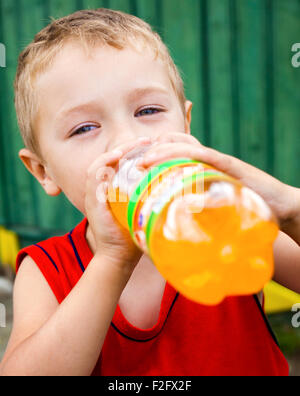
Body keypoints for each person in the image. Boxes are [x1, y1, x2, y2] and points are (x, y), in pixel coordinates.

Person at [0, 8, 299, 376]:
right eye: (84, 128)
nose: (129, 141)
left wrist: (289, 209)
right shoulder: (49, 270)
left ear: (186, 124)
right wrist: (112, 260)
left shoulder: (224, 219)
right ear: (44, 171)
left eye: (149, 110)